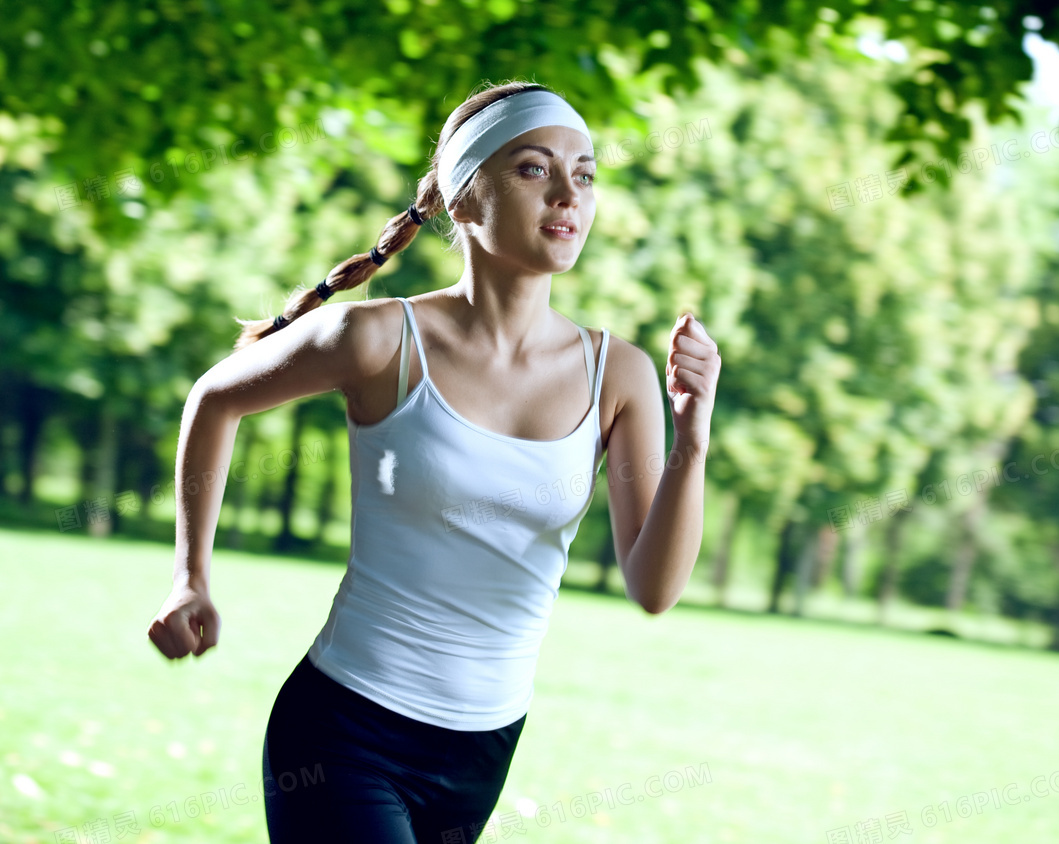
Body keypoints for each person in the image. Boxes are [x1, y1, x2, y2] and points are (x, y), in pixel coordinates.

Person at [146, 79, 721, 843]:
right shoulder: (381, 341)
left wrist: (693, 441)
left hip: (484, 747)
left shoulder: (619, 375)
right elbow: (215, 399)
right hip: (342, 733)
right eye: (532, 169)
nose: (566, 195)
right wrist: (191, 575)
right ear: (463, 199)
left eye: (583, 174)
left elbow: (653, 588)